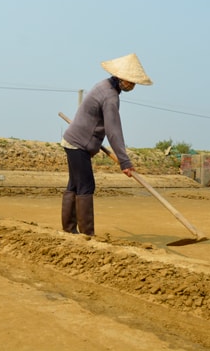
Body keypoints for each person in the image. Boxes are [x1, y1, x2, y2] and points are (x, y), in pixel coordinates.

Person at [61, 53, 153, 235]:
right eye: (131, 82)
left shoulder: (103, 85)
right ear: (121, 78)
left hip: (73, 141)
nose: (133, 86)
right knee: (86, 186)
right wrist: (125, 162)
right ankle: (87, 235)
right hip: (78, 144)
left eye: (135, 83)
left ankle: (70, 231)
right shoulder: (110, 97)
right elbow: (114, 131)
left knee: (75, 184)